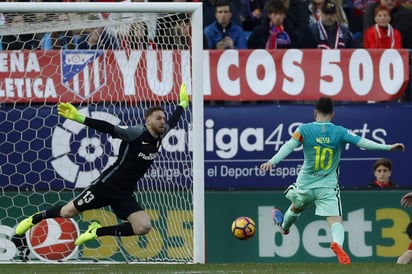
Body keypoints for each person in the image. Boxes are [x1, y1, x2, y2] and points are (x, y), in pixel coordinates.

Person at [14, 83, 190, 246]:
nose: (162, 121)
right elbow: (108, 127)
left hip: (124, 192)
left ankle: (96, 231)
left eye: (163, 118)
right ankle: (34, 219)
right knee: (68, 212)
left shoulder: (161, 134)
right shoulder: (136, 133)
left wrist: (182, 103)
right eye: (158, 118)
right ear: (148, 121)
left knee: (143, 226)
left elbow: (173, 121)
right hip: (106, 185)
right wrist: (79, 118)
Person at [260, 97, 405, 264]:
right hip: (327, 187)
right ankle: (337, 244)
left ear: (314, 112)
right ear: (333, 114)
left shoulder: (303, 130)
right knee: (335, 221)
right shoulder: (340, 131)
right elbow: (363, 142)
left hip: (305, 184)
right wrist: (388, 147)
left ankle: (284, 228)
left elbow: (289, 146)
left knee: (296, 207)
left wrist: (273, 161)